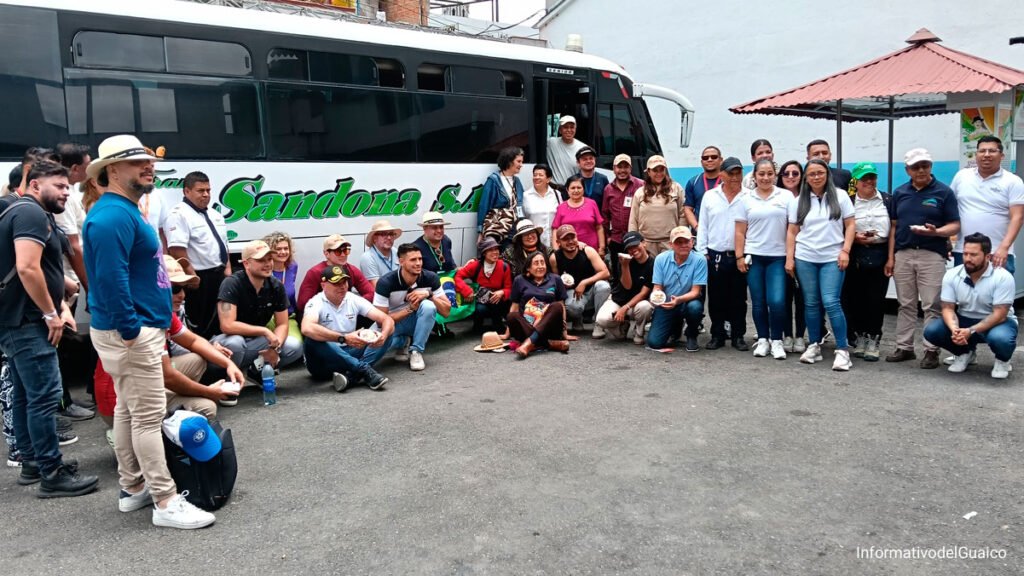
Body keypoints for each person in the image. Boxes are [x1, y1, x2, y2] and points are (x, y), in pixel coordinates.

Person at [83, 135, 214, 528]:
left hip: (135, 329)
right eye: (135, 161)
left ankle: (134, 487)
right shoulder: (111, 217)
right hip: (133, 333)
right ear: (111, 170)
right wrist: (131, 331)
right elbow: (108, 280)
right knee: (147, 417)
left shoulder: (121, 211)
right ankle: (165, 500)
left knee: (129, 411)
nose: (148, 166)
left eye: (148, 160)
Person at [0, 160, 98, 497]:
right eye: (58, 186)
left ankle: (32, 463)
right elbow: (27, 268)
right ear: (34, 183)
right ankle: (52, 473)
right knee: (44, 397)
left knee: (27, 395)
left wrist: (63, 288)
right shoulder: (30, 214)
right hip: (28, 321)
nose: (66, 192)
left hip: (17, 320)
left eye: (68, 187)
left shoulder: (20, 211)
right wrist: (50, 313)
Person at [94, 255, 243, 426]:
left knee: (197, 359)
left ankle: (170, 411)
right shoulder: (145, 317)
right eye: (175, 289)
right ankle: (135, 429)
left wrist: (228, 364)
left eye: (183, 288)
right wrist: (209, 392)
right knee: (206, 408)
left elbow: (193, 341)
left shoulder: (157, 308)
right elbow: (168, 376)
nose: (182, 295)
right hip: (121, 404)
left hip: (143, 385)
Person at [884, 148, 960, 369]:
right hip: (903, 253)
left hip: (931, 254)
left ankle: (931, 350)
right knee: (905, 304)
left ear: (931, 166)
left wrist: (936, 232)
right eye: (916, 167)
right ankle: (904, 347)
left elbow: (955, 224)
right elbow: (893, 226)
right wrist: (891, 257)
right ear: (907, 170)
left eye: (925, 165)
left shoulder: (944, 192)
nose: (921, 170)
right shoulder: (899, 193)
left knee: (931, 304)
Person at [785, 159, 856, 371]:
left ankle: (842, 350)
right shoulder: (798, 201)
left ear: (827, 174)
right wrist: (790, 258)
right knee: (811, 302)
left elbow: (851, 224)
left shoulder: (840, 196)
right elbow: (792, 231)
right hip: (806, 257)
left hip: (832, 257)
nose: (816, 177)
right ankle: (814, 344)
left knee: (831, 301)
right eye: (812, 173)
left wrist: (845, 251)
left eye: (820, 173)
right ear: (806, 177)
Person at [923, 233, 1017, 379]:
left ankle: (1003, 360)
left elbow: (1000, 314)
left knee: (1001, 339)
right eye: (965, 254)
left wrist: (970, 331)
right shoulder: (952, 274)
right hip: (965, 318)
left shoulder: (1003, 277)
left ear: (987, 257)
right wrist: (955, 330)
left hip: (998, 322)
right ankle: (964, 353)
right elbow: (947, 307)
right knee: (932, 331)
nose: (968, 259)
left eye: (974, 255)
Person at [212, 240, 303, 377]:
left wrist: (274, 348)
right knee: (236, 343)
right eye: (261, 260)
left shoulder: (276, 286)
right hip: (222, 342)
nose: (267, 264)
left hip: (255, 340)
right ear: (246, 263)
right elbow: (227, 325)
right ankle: (226, 381)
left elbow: (282, 324)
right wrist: (264, 331)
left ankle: (256, 372)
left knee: (293, 347)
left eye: (269, 259)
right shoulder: (231, 284)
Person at [301, 265, 393, 392]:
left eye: (344, 282)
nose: (342, 286)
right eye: (336, 283)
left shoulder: (352, 298)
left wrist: (383, 335)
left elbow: (386, 319)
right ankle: (362, 369)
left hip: (349, 350)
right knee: (312, 340)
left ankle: (351, 377)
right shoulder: (316, 302)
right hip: (323, 362)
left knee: (388, 331)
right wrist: (343, 338)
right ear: (323, 286)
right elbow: (306, 328)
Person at [735, 158, 791, 359]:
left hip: (778, 257)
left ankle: (777, 340)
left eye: (769, 174)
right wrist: (739, 256)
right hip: (754, 256)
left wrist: (790, 258)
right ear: (755, 176)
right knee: (758, 301)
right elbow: (740, 231)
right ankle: (763, 340)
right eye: (761, 174)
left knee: (776, 301)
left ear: (775, 175)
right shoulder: (746, 199)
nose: (765, 178)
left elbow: (792, 229)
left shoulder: (785, 197)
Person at [165, 171, 231, 338]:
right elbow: (177, 250)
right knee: (200, 321)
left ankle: (222, 352)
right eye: (200, 190)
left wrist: (228, 270)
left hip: (219, 274)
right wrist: (192, 276)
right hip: (199, 277)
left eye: (208, 190)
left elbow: (224, 245)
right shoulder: (179, 214)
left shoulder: (215, 215)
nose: (206, 194)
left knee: (221, 317)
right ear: (186, 191)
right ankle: (203, 358)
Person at [951, 136, 1024, 274]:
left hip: (998, 252)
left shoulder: (1013, 181)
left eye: (992, 151)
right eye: (982, 151)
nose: (986, 155)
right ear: (976, 154)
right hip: (964, 251)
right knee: (964, 293)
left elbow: (1018, 217)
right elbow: (950, 209)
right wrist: (946, 239)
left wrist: (1004, 247)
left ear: (1001, 155)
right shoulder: (961, 176)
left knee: (998, 294)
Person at [697, 156, 748, 351]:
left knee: (739, 298)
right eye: (730, 173)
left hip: (739, 255)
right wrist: (702, 252)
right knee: (716, 298)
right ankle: (717, 335)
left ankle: (738, 335)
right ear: (721, 175)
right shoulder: (710, 196)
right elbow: (704, 226)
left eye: (738, 173)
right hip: (715, 254)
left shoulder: (749, 196)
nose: (735, 177)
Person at [373, 243, 452, 372]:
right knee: (375, 344)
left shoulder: (430, 278)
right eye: (413, 260)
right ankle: (404, 342)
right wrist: (410, 309)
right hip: (393, 323)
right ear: (401, 262)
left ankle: (416, 351)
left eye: (420, 259)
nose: (418, 263)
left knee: (428, 306)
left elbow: (446, 311)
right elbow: (380, 321)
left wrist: (429, 295)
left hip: (417, 320)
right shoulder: (385, 282)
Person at [842, 162, 891, 362]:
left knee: (876, 299)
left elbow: (894, 229)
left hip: (880, 252)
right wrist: (854, 238)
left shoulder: (888, 200)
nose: (869, 182)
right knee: (855, 299)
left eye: (872, 177)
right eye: (864, 178)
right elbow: (841, 229)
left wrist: (891, 257)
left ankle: (874, 339)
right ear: (856, 181)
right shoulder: (849, 201)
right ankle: (860, 337)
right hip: (856, 254)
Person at [646, 226, 707, 351]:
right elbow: (657, 287)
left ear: (692, 242)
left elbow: (696, 291)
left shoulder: (700, 259)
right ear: (671, 245)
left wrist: (678, 300)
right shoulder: (660, 259)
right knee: (654, 342)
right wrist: (657, 298)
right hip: (667, 302)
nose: (683, 245)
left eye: (686, 241)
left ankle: (692, 334)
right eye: (678, 242)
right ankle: (675, 328)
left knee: (695, 307)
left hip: (687, 301)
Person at [549, 224, 611, 338]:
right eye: (566, 239)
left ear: (577, 237)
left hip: (591, 291)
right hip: (572, 293)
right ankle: (577, 318)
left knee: (604, 286)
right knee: (573, 307)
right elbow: (555, 282)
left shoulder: (587, 251)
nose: (570, 241)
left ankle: (599, 323)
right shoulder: (554, 258)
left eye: (572, 237)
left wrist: (584, 282)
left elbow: (605, 273)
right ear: (558, 242)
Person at [506, 251, 570, 358]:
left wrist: (565, 333)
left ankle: (529, 343)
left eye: (542, 262)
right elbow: (515, 307)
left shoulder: (555, 279)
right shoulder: (519, 280)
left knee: (556, 306)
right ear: (528, 268)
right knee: (511, 316)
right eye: (536, 263)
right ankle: (550, 344)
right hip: (527, 326)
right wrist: (507, 333)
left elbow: (561, 306)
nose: (540, 266)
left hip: (550, 326)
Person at [595, 231, 655, 344]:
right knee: (602, 319)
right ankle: (621, 328)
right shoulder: (623, 260)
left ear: (644, 243)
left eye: (636, 245)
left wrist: (625, 308)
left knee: (645, 307)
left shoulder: (653, 263)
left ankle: (639, 332)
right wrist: (625, 266)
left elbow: (644, 293)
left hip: (638, 303)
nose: (633, 250)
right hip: (619, 299)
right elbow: (627, 286)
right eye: (629, 248)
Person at [775, 160, 806, 352]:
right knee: (784, 298)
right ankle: (787, 335)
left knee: (802, 298)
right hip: (779, 254)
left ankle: (801, 336)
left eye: (795, 173)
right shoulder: (776, 198)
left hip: (804, 254)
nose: (791, 177)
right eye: (787, 173)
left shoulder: (808, 199)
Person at [297, 234, 374, 313]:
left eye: (345, 250)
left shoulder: (352, 270)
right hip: (322, 316)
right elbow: (303, 304)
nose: (343, 255)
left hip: (348, 314)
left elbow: (371, 293)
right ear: (326, 254)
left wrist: (351, 306)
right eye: (338, 251)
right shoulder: (315, 273)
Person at [629, 155, 686, 257]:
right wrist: (634, 242)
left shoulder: (676, 188)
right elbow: (633, 219)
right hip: (646, 244)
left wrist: (680, 237)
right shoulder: (640, 192)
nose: (659, 173)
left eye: (662, 170)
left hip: (670, 243)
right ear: (649, 172)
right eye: (655, 170)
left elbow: (683, 214)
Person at [454, 237, 512, 334]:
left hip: (498, 302)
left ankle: (498, 325)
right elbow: (457, 276)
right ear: (484, 253)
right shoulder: (475, 265)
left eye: (496, 249)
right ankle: (477, 326)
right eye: (491, 250)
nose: (495, 252)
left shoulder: (504, 266)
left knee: (497, 304)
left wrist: (502, 292)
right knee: (480, 310)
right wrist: (466, 291)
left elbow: (509, 288)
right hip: (480, 301)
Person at [601, 154, 644, 282]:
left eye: (626, 167)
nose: (622, 170)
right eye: (619, 167)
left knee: (637, 270)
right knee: (618, 271)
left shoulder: (640, 185)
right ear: (614, 169)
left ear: (631, 169)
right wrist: (608, 237)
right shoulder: (608, 189)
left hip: (636, 238)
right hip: (616, 238)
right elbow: (605, 214)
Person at [478, 146, 524, 246]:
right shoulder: (493, 180)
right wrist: (480, 231)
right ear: (509, 161)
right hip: (497, 228)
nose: (521, 165)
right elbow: (484, 206)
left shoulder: (517, 181)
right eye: (519, 161)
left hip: (514, 228)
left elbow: (519, 206)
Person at [552, 175, 605, 254]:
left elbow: (599, 228)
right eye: (573, 188)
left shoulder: (592, 203)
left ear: (583, 189)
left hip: (591, 250)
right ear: (567, 190)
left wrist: (601, 248)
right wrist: (556, 250)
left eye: (579, 187)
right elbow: (555, 230)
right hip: (568, 251)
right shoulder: (561, 207)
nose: (576, 190)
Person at [684, 146, 723, 231]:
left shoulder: (727, 182)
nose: (709, 160)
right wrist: (697, 227)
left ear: (721, 160)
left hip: (722, 233)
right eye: (705, 158)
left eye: (714, 157)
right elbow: (688, 208)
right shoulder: (693, 182)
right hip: (700, 234)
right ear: (701, 162)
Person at [522, 163, 561, 248]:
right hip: (534, 244)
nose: (537, 177)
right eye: (535, 175)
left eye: (540, 175)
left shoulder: (557, 194)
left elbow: (561, 217)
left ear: (548, 179)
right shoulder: (525, 196)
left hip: (555, 243)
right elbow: (522, 220)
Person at [359, 219, 403, 289]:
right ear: (374, 238)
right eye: (383, 234)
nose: (389, 237)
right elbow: (377, 288)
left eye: (391, 234)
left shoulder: (396, 252)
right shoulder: (367, 257)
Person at [546, 115, 587, 186]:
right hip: (554, 189)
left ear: (575, 129)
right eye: (565, 127)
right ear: (560, 130)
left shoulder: (583, 147)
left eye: (572, 127)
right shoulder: (551, 143)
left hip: (573, 190)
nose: (569, 130)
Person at [265, 231, 298, 316]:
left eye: (286, 248)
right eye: (278, 249)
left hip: (289, 316)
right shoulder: (262, 270)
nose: (283, 252)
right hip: (266, 317)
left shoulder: (292, 267)